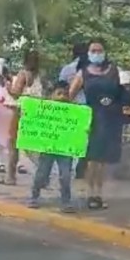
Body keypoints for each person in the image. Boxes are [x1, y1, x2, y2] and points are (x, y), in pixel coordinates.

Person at [69, 39, 125, 210]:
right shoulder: (82, 73)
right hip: (91, 118)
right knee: (92, 159)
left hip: (111, 119)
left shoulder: (115, 71)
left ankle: (99, 194)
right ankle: (90, 193)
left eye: (100, 50)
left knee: (103, 160)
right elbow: (70, 95)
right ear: (88, 53)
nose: (97, 53)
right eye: (93, 50)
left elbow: (125, 93)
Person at [28, 82, 76, 213]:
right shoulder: (46, 110)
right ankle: (34, 196)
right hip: (47, 147)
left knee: (65, 175)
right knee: (42, 173)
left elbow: (77, 129)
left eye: (65, 94)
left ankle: (66, 201)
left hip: (65, 148)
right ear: (51, 96)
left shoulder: (74, 112)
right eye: (59, 93)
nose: (62, 97)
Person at [3, 49, 43, 185]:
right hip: (35, 112)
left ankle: (10, 177)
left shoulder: (23, 74)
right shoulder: (39, 76)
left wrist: (8, 87)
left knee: (13, 145)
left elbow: (16, 93)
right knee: (33, 146)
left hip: (21, 112)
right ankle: (42, 174)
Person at [60, 42, 89, 179]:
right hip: (84, 107)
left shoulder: (67, 69)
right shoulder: (90, 70)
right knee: (82, 140)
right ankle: (79, 168)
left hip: (69, 106)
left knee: (68, 138)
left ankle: (68, 168)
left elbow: (60, 87)